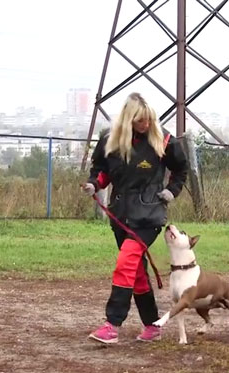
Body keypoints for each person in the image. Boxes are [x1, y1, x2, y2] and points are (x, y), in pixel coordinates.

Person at [81, 92, 188, 344]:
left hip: (149, 216)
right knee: (137, 271)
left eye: (149, 119)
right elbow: (102, 171)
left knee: (126, 263)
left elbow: (181, 169)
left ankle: (111, 324)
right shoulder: (110, 141)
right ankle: (152, 325)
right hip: (121, 216)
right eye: (141, 121)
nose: (146, 125)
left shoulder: (165, 141)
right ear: (129, 120)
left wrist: (170, 191)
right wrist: (94, 184)